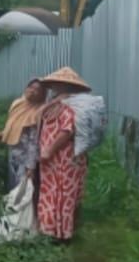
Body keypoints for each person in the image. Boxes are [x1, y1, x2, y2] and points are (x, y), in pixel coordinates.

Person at [36, 67, 99, 243]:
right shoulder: (56, 102)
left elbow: (67, 130)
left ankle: (63, 234)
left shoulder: (70, 107)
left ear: (68, 86)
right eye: (55, 83)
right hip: (53, 160)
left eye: (60, 83)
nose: (56, 86)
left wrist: (49, 150)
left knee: (64, 193)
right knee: (51, 192)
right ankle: (52, 230)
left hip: (64, 158)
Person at [0, 79, 47, 191]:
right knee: (12, 184)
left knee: (22, 189)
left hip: (26, 157)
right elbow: (13, 125)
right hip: (13, 153)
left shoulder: (39, 111)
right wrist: (3, 134)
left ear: (43, 94)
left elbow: (34, 142)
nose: (33, 91)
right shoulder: (18, 104)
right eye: (31, 87)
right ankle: (11, 207)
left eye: (37, 90)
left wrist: (30, 167)